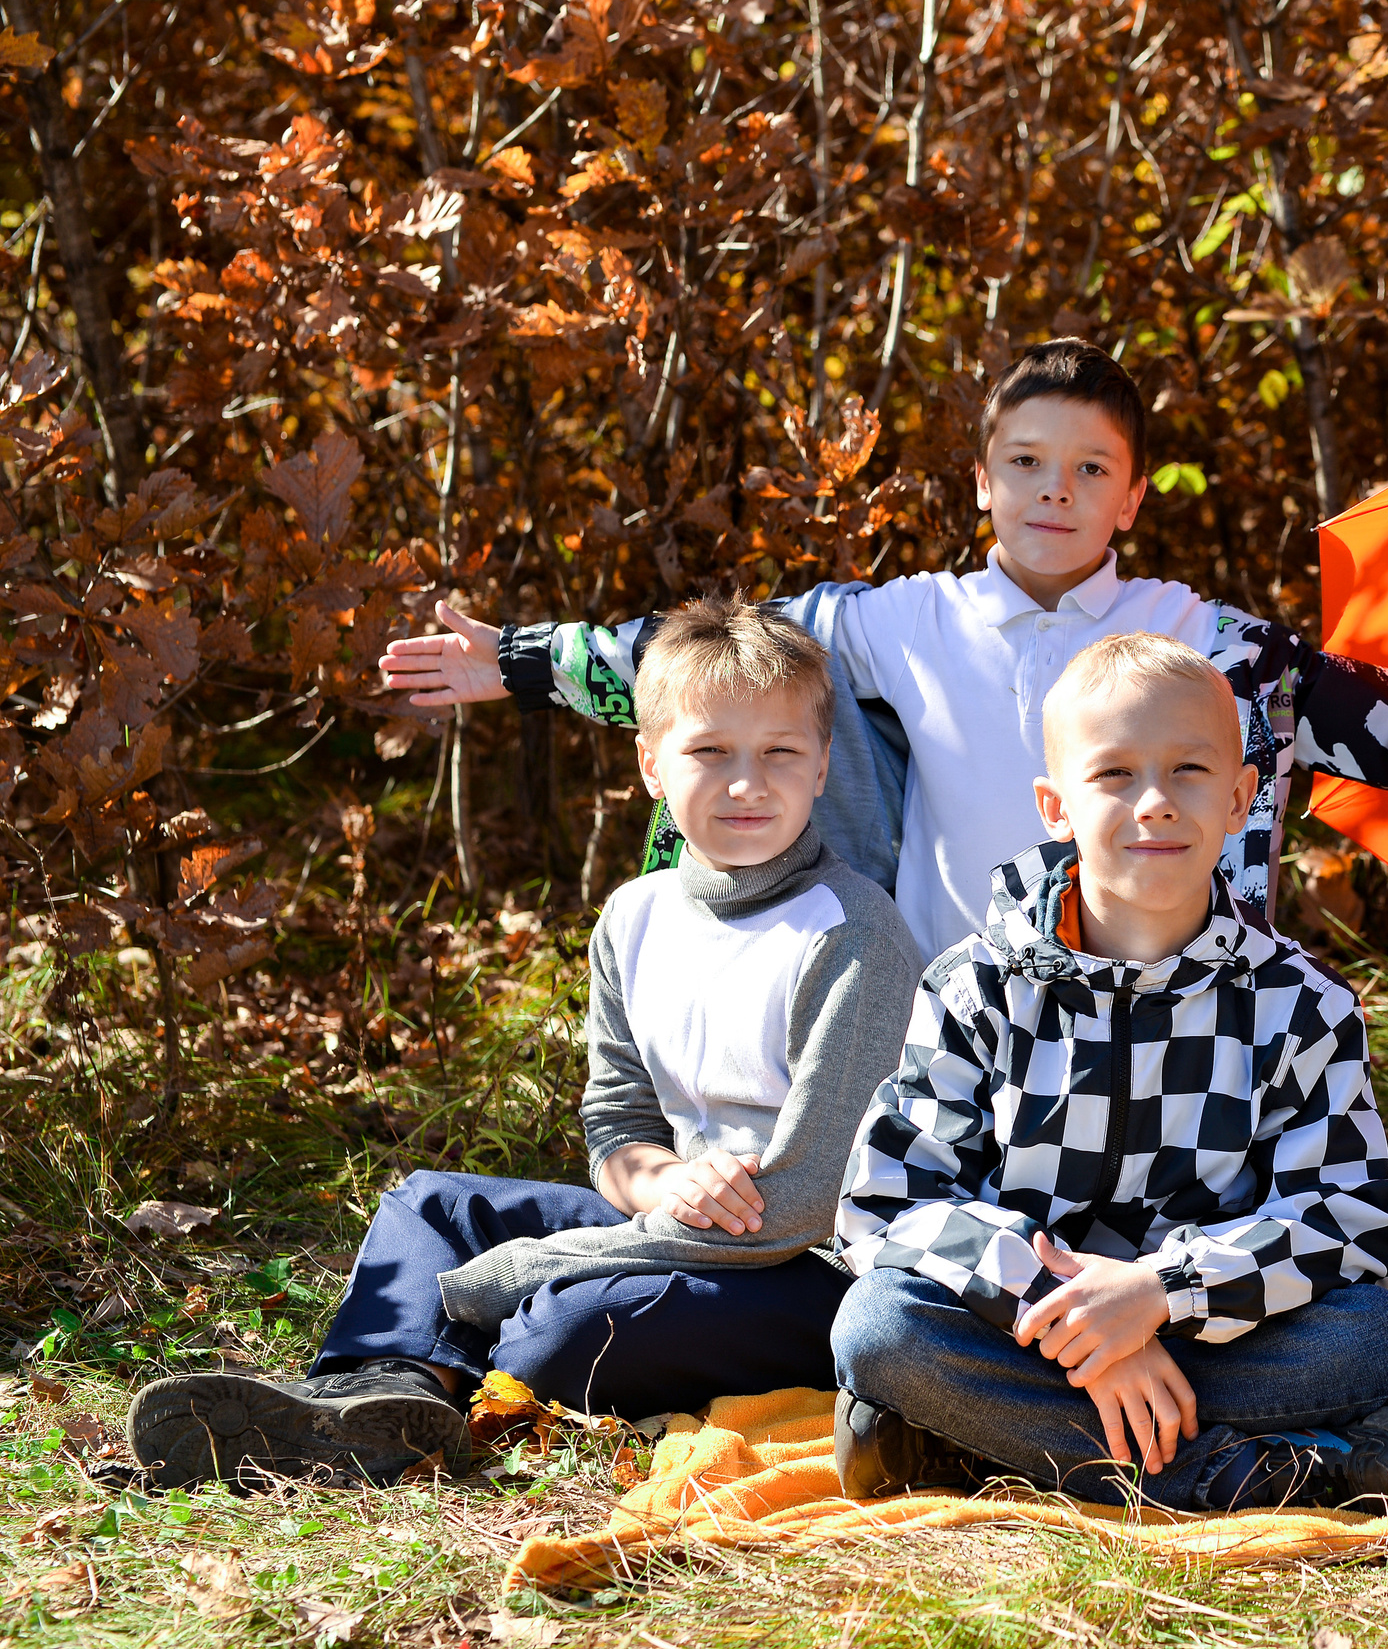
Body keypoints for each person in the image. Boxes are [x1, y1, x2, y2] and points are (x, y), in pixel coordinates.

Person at [128, 602, 924, 1488]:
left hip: (814, 1270)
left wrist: (523, 1266)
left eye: (780, 752)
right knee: (431, 1205)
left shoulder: (854, 934)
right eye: (711, 752)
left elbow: (809, 1202)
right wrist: (661, 1177)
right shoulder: (636, 916)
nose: (748, 784)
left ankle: (435, 1381)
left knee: (559, 1326)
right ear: (652, 763)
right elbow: (616, 1121)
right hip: (679, 1222)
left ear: (821, 768)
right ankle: (385, 1395)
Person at [374, 338, 1388, 955]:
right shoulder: (905, 619)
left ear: (1130, 498)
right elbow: (711, 666)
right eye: (1024, 462)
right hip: (941, 1015)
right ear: (983, 479)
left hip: (1152, 1011)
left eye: (1089, 469)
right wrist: (519, 662)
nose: (1053, 490)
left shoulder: (1201, 637)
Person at [828, 632, 1388, 1513]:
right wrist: (1084, 1324)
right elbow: (885, 1203)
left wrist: (1161, 1293)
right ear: (1055, 804)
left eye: (1188, 770)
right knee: (882, 1327)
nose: (1154, 802)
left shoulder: (1298, 1003)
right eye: (1114, 774)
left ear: (1240, 799)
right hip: (1026, 1327)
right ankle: (1259, 1472)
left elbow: (1359, 1215)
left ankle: (975, 1442)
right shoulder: (976, 985)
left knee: (1375, 1339)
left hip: (1213, 1329)